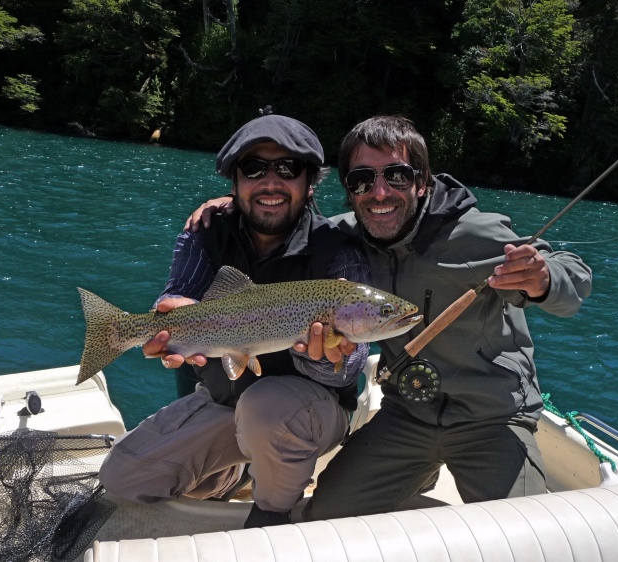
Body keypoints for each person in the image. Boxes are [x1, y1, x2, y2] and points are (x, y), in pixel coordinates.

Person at [186, 114, 592, 520]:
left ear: (422, 180)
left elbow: (573, 275)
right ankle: (419, 472)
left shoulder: (476, 234)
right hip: (406, 417)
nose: (379, 193)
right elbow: (289, 218)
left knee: (526, 537)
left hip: (492, 420)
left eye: (396, 176)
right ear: (349, 190)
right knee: (322, 520)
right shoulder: (346, 237)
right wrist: (229, 207)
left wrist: (543, 279)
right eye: (362, 180)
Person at [98, 110, 370, 528]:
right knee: (122, 477)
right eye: (254, 168)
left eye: (287, 168)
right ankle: (237, 470)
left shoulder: (338, 253)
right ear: (235, 181)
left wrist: (324, 356)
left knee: (268, 408)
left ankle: (270, 519)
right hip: (228, 397)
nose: (270, 181)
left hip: (309, 412)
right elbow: (178, 292)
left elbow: (345, 371)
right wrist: (171, 321)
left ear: (311, 182)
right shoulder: (204, 231)